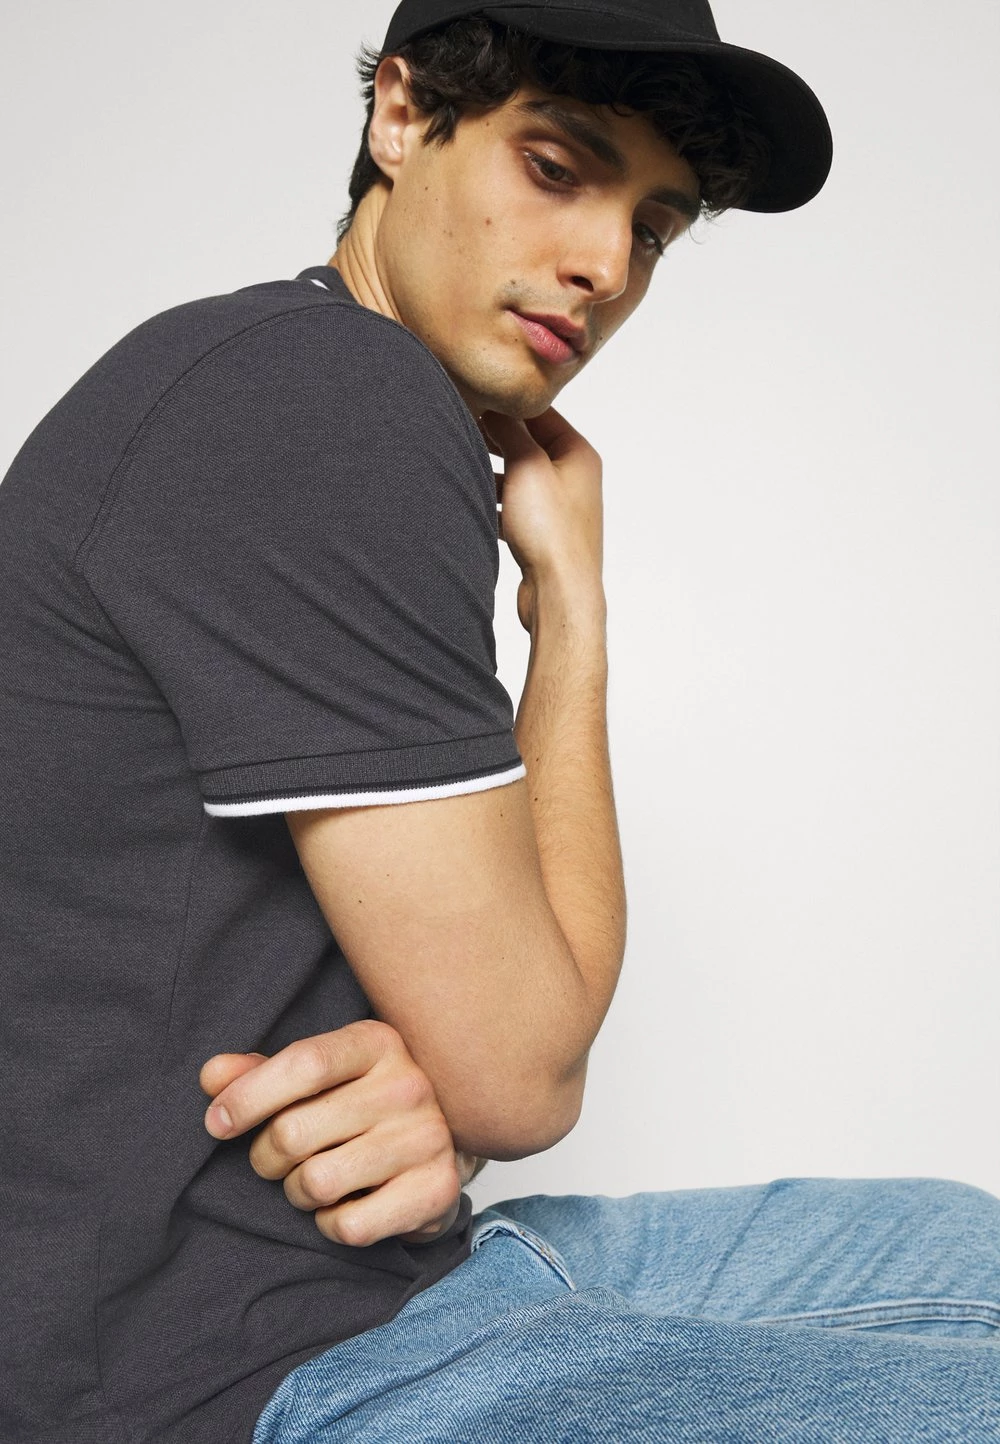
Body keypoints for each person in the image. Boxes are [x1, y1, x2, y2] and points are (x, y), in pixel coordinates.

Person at [1, 1, 997, 1440]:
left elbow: (458, 1047)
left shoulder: (274, 371)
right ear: (401, 117)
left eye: (651, 227)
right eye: (557, 167)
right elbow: (525, 1073)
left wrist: (441, 1097)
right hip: (239, 1377)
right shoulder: (325, 396)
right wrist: (572, 616)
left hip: (391, 1271)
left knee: (965, 1245)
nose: (605, 266)